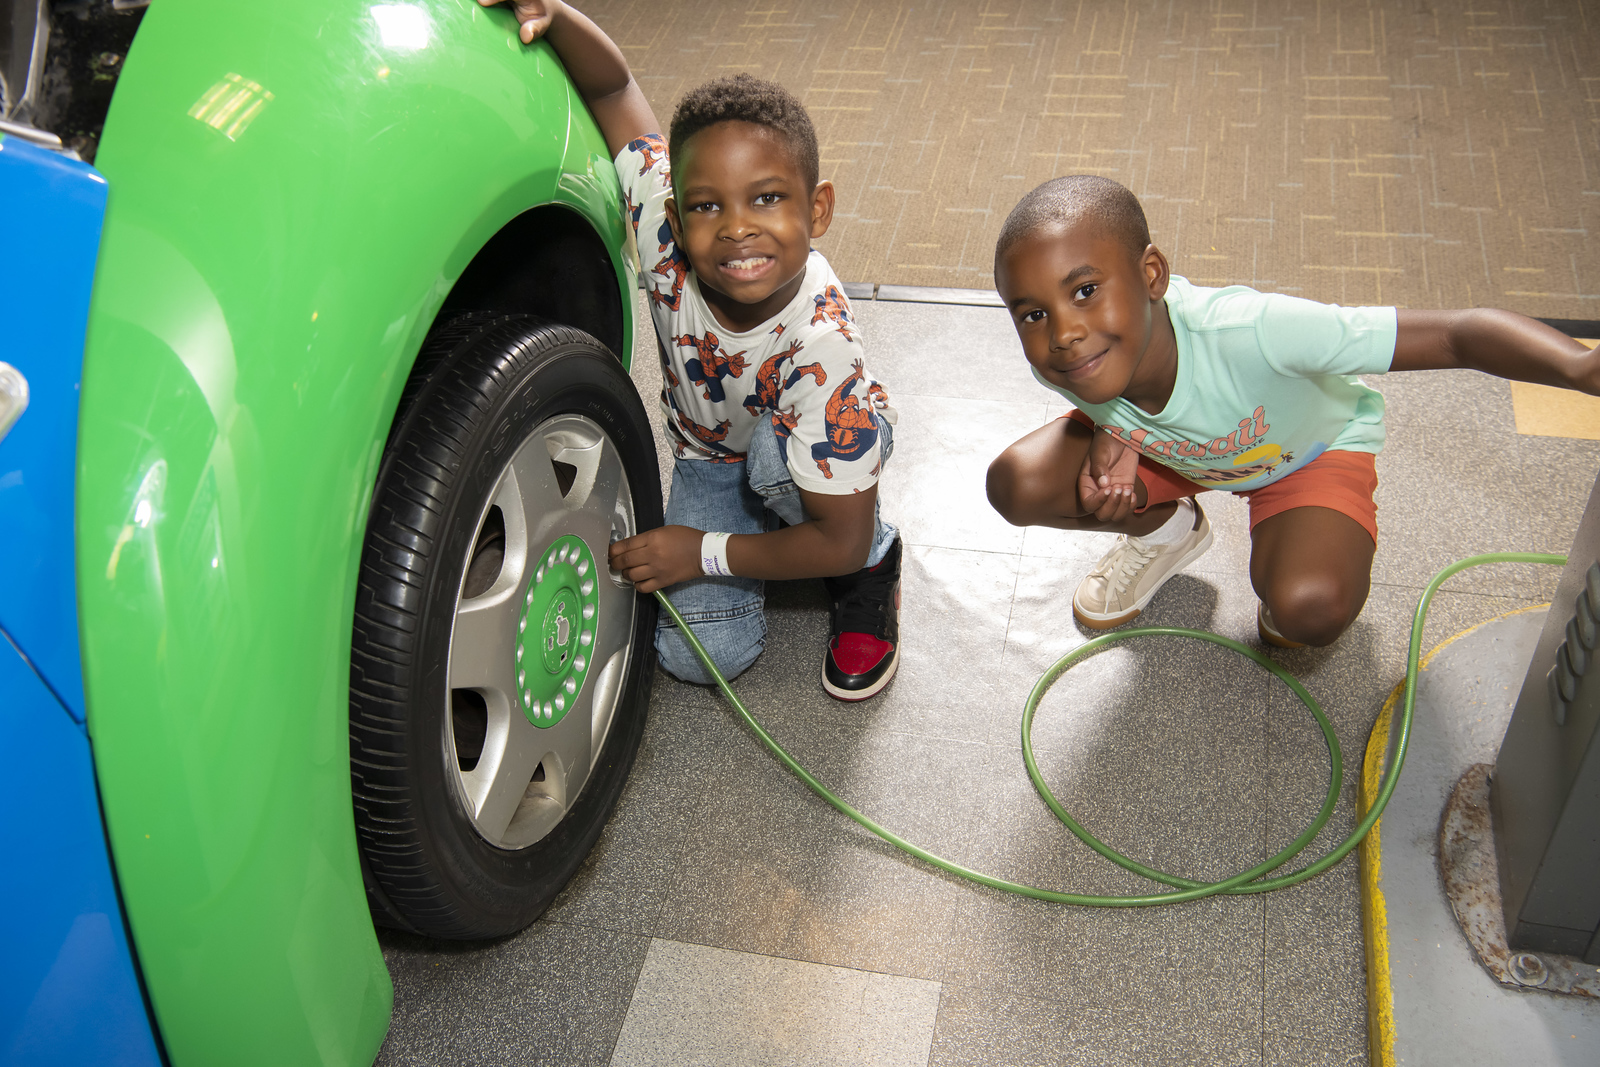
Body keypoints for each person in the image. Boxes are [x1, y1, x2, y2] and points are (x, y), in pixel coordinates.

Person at [484, 0, 901, 698]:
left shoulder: (825, 345)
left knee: (785, 474)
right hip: (710, 457)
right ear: (676, 218)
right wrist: (554, 13)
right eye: (708, 206)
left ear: (817, 209)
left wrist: (702, 551)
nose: (736, 228)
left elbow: (840, 538)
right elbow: (615, 91)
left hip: (812, 449)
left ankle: (876, 567)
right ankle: (771, 539)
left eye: (767, 198)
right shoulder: (662, 238)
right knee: (701, 655)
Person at [986, 175, 1600, 648]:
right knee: (1018, 485)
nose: (1063, 333)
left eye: (1085, 290)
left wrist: (1579, 367)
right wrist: (1114, 431)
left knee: (1308, 608)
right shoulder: (1068, 359)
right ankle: (1169, 535)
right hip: (1185, 455)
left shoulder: (1258, 332)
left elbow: (1456, 336)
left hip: (1306, 455)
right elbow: (1109, 397)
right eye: (1033, 314)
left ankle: (1294, 557)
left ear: (1152, 274)